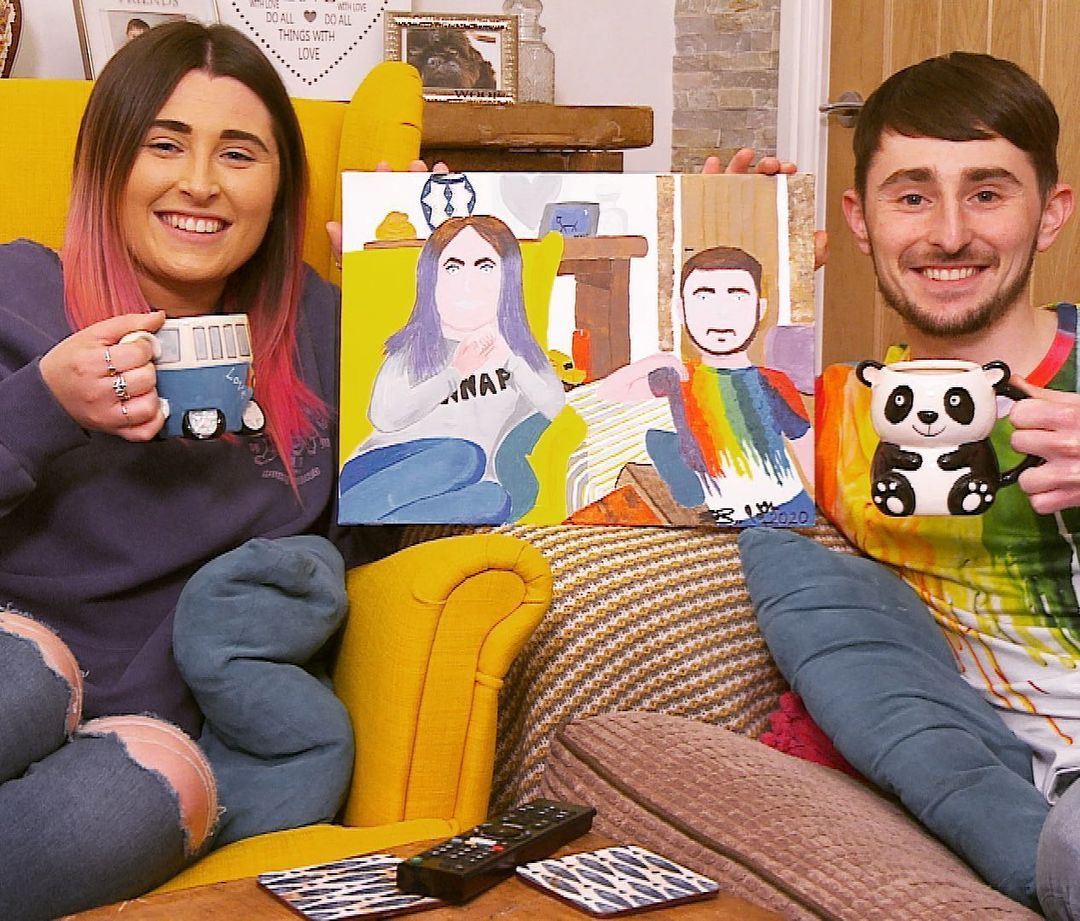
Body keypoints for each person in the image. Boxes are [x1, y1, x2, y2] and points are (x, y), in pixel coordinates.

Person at [0, 21, 396, 919]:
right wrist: (46, 403)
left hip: (139, 736)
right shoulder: (16, 291)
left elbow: (399, 526)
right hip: (11, 656)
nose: (202, 183)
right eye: (164, 144)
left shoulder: (329, 333)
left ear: (280, 186)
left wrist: (408, 294)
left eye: (240, 153)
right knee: (25, 672)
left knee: (160, 783)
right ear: (107, 163)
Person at [740, 52, 1080, 918]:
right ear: (861, 219)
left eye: (988, 193)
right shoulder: (834, 421)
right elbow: (595, 438)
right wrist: (730, 243)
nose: (950, 234)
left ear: (1051, 214)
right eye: (913, 196)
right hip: (1041, 809)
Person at [337, 214, 565, 524]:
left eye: (485, 266)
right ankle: (361, 505)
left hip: (454, 485)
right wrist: (454, 373)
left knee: (495, 499)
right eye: (453, 267)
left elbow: (554, 406)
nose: (467, 282)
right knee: (463, 456)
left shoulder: (519, 352)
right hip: (380, 469)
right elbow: (383, 416)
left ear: (508, 279)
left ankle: (371, 515)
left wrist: (513, 361)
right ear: (432, 279)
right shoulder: (414, 347)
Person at [598, 244, 814, 527]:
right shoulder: (679, 376)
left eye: (737, 297)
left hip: (785, 509)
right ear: (681, 309)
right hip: (723, 517)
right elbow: (609, 392)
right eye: (703, 297)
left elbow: (807, 450)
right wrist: (654, 361)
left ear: (759, 309)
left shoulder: (773, 383)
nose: (721, 315)